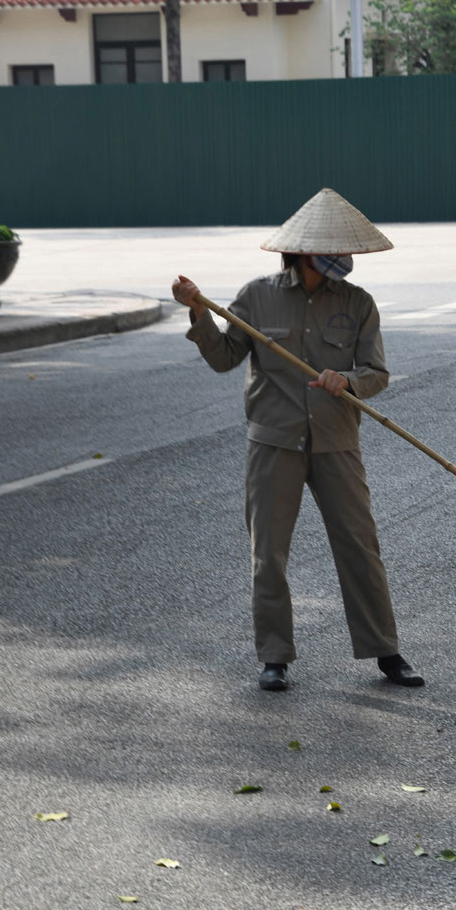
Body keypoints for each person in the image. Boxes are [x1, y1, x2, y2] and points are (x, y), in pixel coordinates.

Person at [172, 187, 424, 692]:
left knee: (360, 547)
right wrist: (198, 312)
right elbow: (224, 358)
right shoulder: (255, 296)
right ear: (304, 251)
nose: (343, 260)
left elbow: (377, 373)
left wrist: (347, 380)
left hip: (336, 442)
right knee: (269, 553)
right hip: (274, 443)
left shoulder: (358, 303)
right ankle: (274, 656)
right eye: (331, 251)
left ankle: (386, 650)